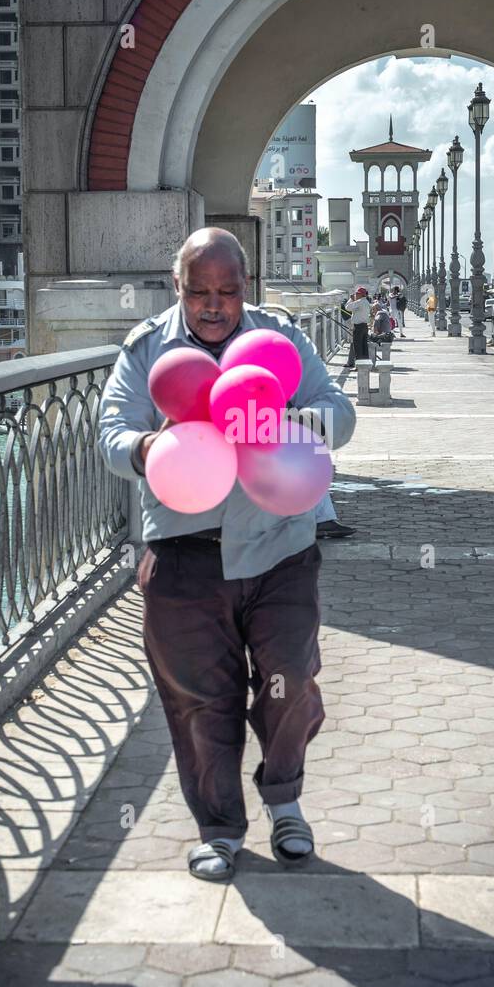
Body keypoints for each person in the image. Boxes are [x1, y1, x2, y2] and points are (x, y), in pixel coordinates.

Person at [98, 228, 356, 883]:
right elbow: (108, 430)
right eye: (199, 291)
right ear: (177, 284)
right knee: (198, 700)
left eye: (228, 291)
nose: (214, 305)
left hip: (280, 548)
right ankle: (218, 830)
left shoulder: (280, 337)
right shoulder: (148, 347)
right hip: (184, 557)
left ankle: (285, 799)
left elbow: (338, 409)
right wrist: (146, 449)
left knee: (290, 678)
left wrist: (293, 421)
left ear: (249, 285)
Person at [344, 285, 370, 369]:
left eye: (357, 293)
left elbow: (347, 307)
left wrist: (351, 299)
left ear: (360, 294)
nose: (356, 295)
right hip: (364, 326)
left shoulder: (359, 302)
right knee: (364, 346)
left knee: (357, 347)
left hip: (358, 327)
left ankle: (358, 366)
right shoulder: (366, 302)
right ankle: (365, 363)